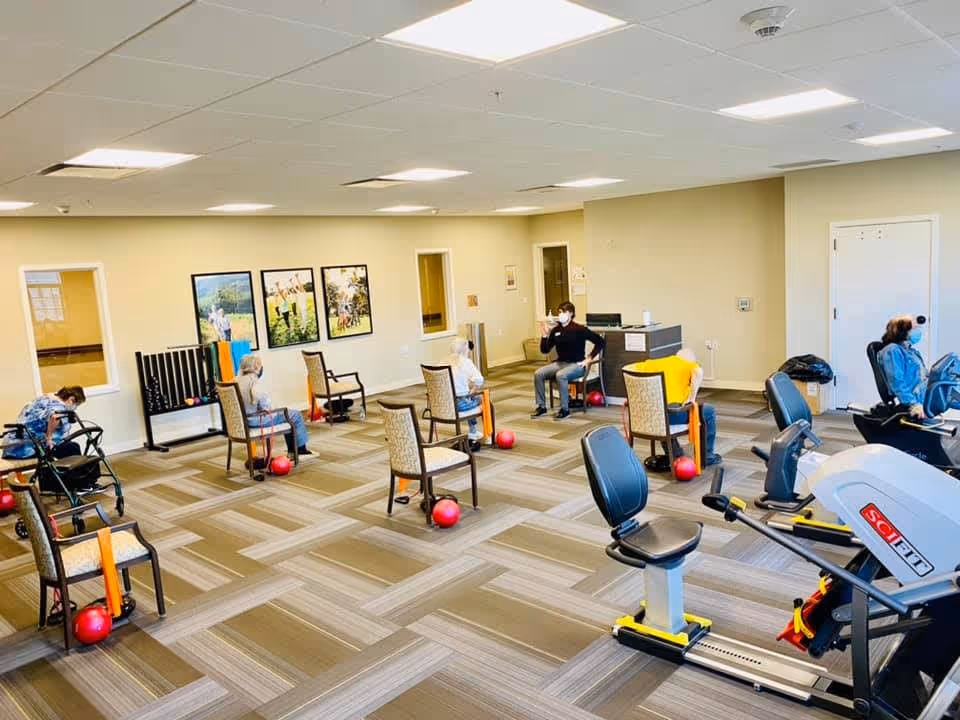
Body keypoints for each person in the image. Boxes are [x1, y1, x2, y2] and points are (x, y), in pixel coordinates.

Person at [628, 349, 721, 466]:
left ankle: (675, 454)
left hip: (648, 415)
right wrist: (692, 397)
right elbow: (699, 372)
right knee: (709, 410)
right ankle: (707, 456)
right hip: (672, 415)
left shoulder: (654, 363)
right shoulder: (689, 364)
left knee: (663, 409)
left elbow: (627, 368)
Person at [532, 301, 605, 420]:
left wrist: (589, 359)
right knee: (538, 374)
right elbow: (545, 350)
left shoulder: (579, 329)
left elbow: (600, 342)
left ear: (570, 313)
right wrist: (545, 336)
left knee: (560, 375)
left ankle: (565, 410)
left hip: (577, 365)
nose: (561, 314)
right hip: (560, 363)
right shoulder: (556, 330)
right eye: (560, 312)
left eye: (564, 312)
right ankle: (541, 407)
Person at [235, 355, 311, 456]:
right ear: (256, 367)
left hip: (242, 421)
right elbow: (267, 407)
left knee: (287, 414)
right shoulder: (254, 383)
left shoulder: (236, 381)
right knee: (295, 415)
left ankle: (293, 450)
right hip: (256, 420)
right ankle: (300, 449)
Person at [877, 314, 948, 419]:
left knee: (949, 374)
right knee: (951, 367)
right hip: (915, 395)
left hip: (925, 388)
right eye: (915, 328)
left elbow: (924, 374)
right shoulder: (892, 350)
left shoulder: (912, 352)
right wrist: (913, 404)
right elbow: (896, 382)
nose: (918, 331)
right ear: (902, 331)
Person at [2, 386, 86, 459]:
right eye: (77, 404)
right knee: (71, 449)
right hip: (24, 448)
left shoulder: (46, 398)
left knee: (71, 446)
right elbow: (54, 417)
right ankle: (77, 476)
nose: (75, 408)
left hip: (12, 445)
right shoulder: (59, 406)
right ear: (71, 399)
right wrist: (49, 438)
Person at [447, 337, 486, 449]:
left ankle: (473, 432)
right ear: (465, 350)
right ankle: (474, 431)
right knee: (480, 399)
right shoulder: (466, 362)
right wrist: (472, 390)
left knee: (467, 397)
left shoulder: (442, 362)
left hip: (442, 406)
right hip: (459, 405)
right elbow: (479, 380)